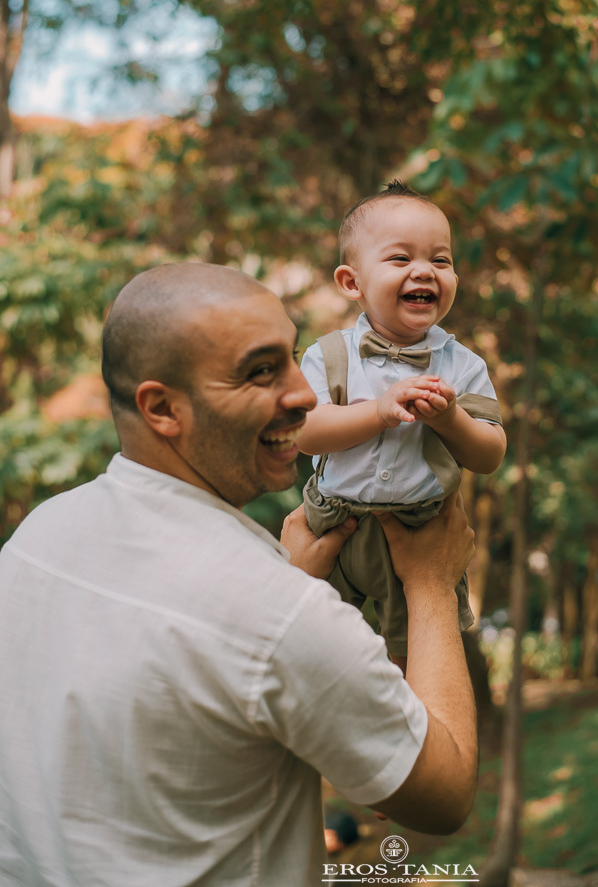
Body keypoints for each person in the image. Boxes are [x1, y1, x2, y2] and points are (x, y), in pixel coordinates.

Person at [0, 263, 478, 887]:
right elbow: (444, 796)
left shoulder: (39, 536)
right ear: (163, 408)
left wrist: (291, 580)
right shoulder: (278, 613)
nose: (305, 395)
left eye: (290, 357)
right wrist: (432, 587)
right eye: (260, 372)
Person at [298, 181, 506, 661]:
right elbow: (304, 435)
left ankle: (416, 732)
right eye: (400, 259)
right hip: (333, 526)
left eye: (440, 260)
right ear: (352, 282)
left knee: (422, 658)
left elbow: (491, 453)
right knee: (313, 648)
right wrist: (376, 412)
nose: (424, 272)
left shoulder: (462, 365)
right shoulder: (329, 355)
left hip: (421, 530)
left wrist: (450, 419)